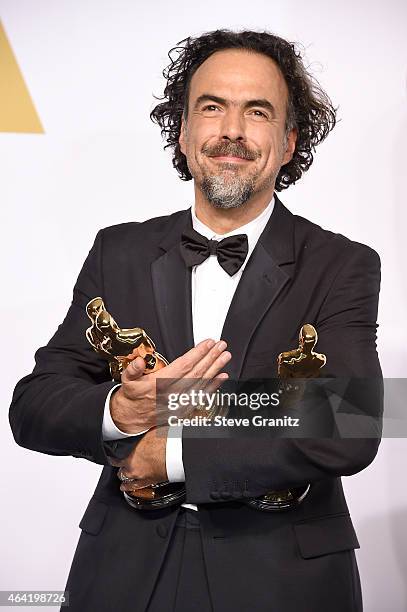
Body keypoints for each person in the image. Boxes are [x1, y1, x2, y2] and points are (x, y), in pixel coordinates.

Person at [9, 29, 383, 612]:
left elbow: (353, 418)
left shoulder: (342, 264)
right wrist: (121, 408)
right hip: (122, 572)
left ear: (288, 142)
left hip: (282, 578)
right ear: (183, 133)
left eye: (256, 112)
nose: (231, 130)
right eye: (211, 107)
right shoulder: (118, 251)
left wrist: (172, 444)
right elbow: (32, 407)